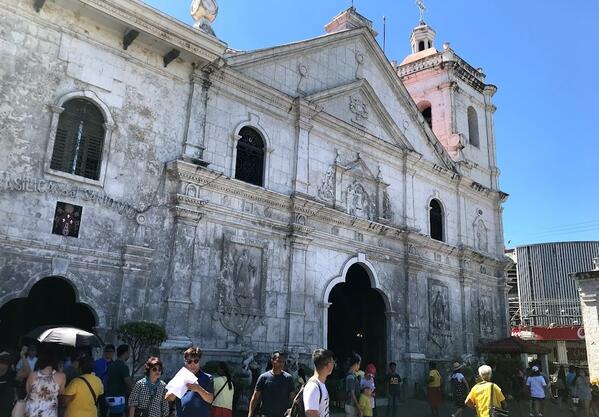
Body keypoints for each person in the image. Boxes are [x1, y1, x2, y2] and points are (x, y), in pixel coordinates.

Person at [166, 347, 214, 417]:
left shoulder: (207, 377)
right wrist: (176, 390)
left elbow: (210, 399)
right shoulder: (180, 377)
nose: (192, 364)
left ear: (199, 361)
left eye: (196, 361)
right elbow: (168, 398)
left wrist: (198, 389)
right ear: (185, 362)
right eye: (189, 361)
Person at [248, 351, 294, 417]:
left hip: (283, 414)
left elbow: (293, 398)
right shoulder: (263, 378)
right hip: (266, 414)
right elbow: (255, 397)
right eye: (279, 361)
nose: (281, 364)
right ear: (272, 361)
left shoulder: (288, 378)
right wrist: (250, 414)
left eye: (283, 362)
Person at [25, 350, 66, 417]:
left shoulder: (32, 375)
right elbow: (61, 394)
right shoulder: (62, 376)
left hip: (32, 411)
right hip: (49, 413)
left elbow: (28, 392)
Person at [303, 348, 334, 417]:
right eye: (333, 362)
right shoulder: (313, 386)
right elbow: (311, 413)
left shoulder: (320, 384)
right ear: (329, 365)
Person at [106, 344, 132, 417]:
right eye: (129, 352)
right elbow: (129, 383)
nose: (129, 355)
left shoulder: (111, 365)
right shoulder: (123, 367)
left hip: (109, 397)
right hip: (118, 399)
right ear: (125, 353)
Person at [95, 344, 115, 417]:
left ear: (113, 353)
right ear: (104, 352)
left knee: (104, 411)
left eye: (111, 351)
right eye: (107, 351)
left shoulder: (114, 364)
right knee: (93, 408)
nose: (109, 353)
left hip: (108, 391)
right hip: (96, 389)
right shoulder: (97, 362)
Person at [0, 351, 16, 417]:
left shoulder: (11, 373)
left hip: (6, 407)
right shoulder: (11, 373)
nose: (3, 365)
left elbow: (26, 371)